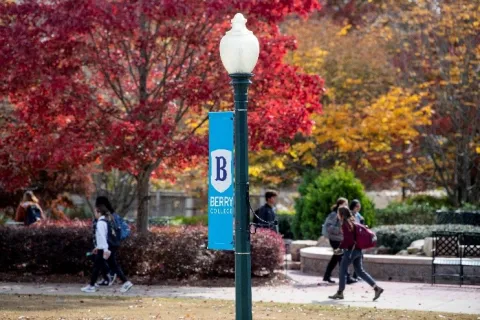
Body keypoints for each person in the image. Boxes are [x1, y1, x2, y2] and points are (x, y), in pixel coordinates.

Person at [329, 207, 384, 301]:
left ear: (341, 214)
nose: (337, 215)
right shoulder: (353, 223)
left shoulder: (345, 224)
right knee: (360, 271)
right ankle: (376, 288)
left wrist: (340, 248)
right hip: (358, 251)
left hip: (351, 251)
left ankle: (340, 293)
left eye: (338, 213)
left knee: (342, 270)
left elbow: (348, 240)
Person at [94, 196, 133, 292]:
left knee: (104, 262)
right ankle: (118, 280)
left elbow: (119, 231)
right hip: (109, 244)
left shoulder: (109, 218)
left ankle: (100, 281)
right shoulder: (108, 217)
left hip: (108, 245)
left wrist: (106, 245)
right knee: (109, 263)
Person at [322, 198, 356, 284]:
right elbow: (329, 227)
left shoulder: (342, 214)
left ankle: (327, 276)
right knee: (342, 257)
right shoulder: (334, 214)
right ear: (339, 205)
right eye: (345, 204)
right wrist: (340, 230)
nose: (346, 206)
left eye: (347, 204)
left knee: (336, 257)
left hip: (339, 240)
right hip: (335, 240)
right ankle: (347, 277)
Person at [350, 199, 364, 280]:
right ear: (353, 206)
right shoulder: (350, 214)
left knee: (360, 256)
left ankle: (356, 275)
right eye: (357, 206)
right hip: (353, 239)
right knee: (352, 258)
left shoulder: (358, 215)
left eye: (359, 206)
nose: (358, 208)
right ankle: (348, 276)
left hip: (358, 239)